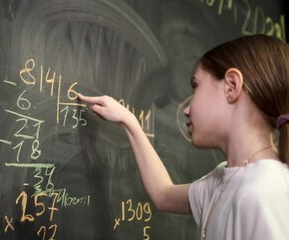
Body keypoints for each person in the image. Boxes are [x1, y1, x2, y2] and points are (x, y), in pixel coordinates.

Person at [78, 34, 289, 240]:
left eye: (195, 86)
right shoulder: (223, 180)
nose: (186, 109)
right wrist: (130, 121)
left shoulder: (265, 193)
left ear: (231, 86)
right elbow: (163, 195)